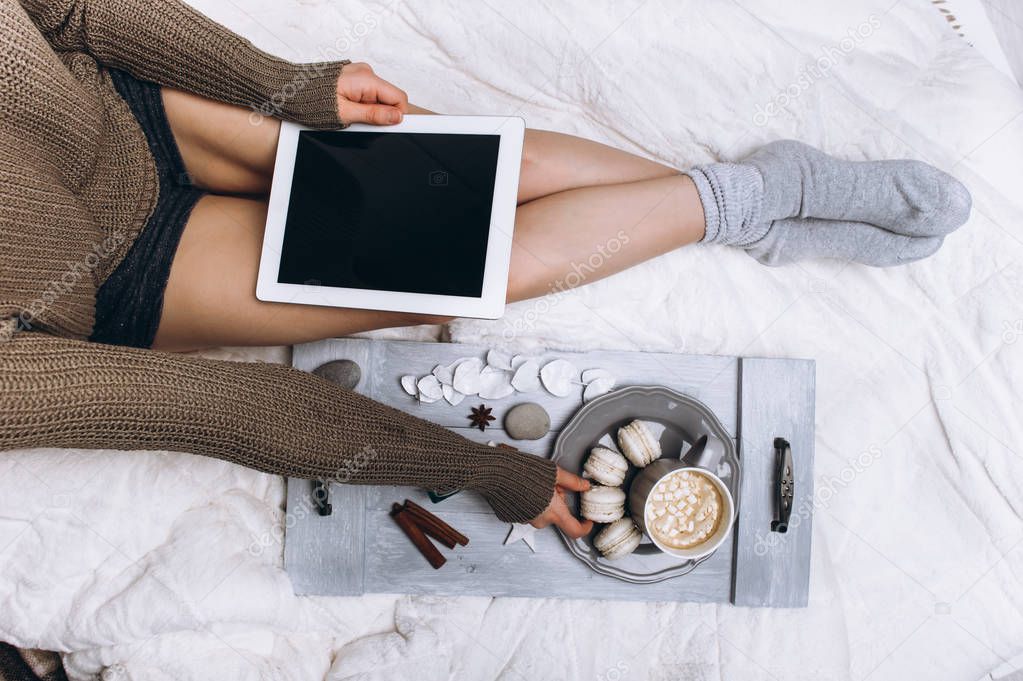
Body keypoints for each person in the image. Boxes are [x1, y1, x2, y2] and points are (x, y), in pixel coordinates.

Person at [0, 0, 970, 537]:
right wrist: (476, 469)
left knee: (466, 174)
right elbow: (215, 413)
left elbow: (73, 8)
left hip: (117, 113)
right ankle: (746, 201)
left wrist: (283, 87)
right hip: (131, 271)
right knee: (474, 263)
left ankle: (748, 199)